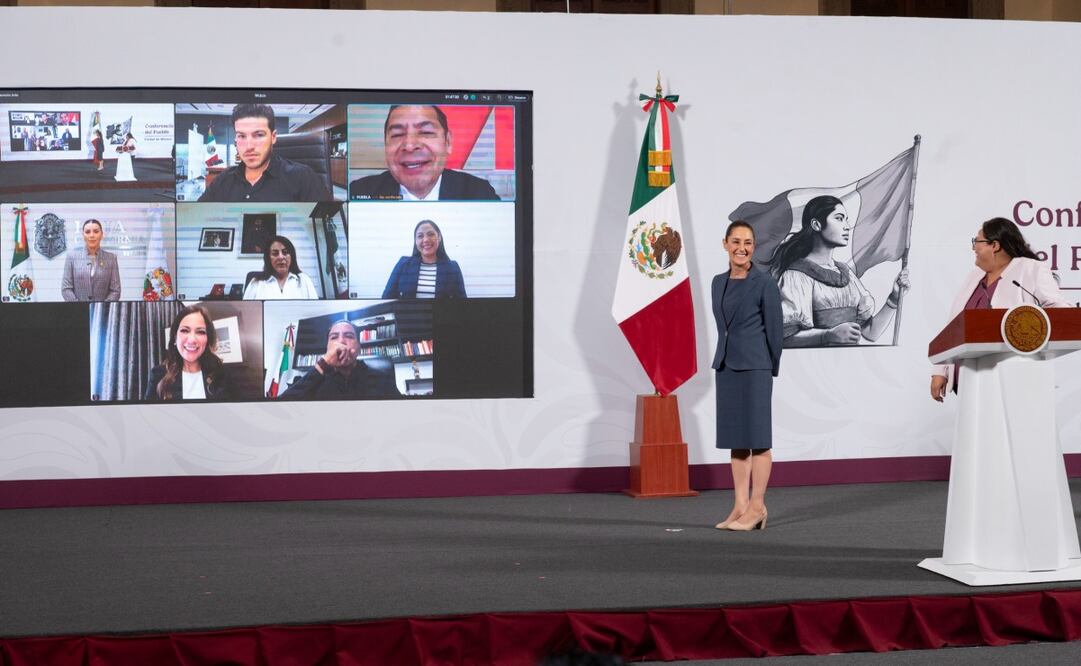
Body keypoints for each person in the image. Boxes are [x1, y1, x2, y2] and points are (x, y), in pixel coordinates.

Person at [930, 217, 1070, 401]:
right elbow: (953, 326)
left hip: (1012, 374)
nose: (974, 248)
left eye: (977, 241)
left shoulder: (1031, 269)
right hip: (967, 375)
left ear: (994, 245)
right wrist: (940, 370)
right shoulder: (974, 276)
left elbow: (1060, 312)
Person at [711, 221, 783, 532]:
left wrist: (768, 369)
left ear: (754, 247)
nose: (742, 247)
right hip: (727, 367)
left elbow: (776, 332)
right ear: (725, 243)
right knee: (736, 442)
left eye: (749, 242)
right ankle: (740, 505)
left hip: (755, 369)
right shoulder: (717, 282)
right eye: (736, 241)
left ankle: (757, 506)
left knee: (758, 441)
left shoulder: (764, 283)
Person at [772, 195, 909, 347]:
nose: (846, 226)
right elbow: (785, 338)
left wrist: (894, 299)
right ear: (816, 225)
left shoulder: (847, 273)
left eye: (846, 219)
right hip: (814, 367)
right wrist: (828, 335)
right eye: (839, 218)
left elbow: (871, 333)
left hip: (849, 364)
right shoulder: (796, 276)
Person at [349, 105, 500, 201]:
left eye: (426, 132)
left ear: (448, 142)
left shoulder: (479, 193)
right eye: (396, 134)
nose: (409, 145)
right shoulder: (359, 191)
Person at [198, 104, 332, 202]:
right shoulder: (223, 179)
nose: (249, 146)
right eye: (242, 136)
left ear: (273, 137)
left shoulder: (303, 178)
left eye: (258, 135)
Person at [279, 320, 398, 399]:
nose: (341, 342)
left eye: (349, 336)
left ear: (358, 347)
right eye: (334, 337)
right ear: (327, 348)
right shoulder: (313, 381)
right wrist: (323, 364)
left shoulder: (383, 379)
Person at [144, 304, 230, 401]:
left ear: (208, 339)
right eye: (185, 330)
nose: (192, 340)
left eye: (200, 332)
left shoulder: (223, 374)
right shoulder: (158, 374)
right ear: (175, 338)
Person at [382, 220, 466, 299]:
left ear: (439, 237)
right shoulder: (403, 264)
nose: (425, 240)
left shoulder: (453, 268)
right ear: (415, 241)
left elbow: (462, 304)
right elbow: (386, 298)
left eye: (430, 234)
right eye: (420, 236)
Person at [61, 219, 121, 302]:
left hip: (102, 313)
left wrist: (101, 308)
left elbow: (115, 291)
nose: (92, 235)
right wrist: (79, 308)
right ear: (83, 235)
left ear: (102, 234)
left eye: (96, 231)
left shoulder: (111, 258)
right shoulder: (72, 257)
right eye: (88, 232)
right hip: (77, 312)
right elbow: (66, 289)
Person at [242, 235, 319, 300]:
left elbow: (316, 311)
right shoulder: (256, 282)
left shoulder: (304, 280)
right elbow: (245, 313)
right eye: (275, 253)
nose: (281, 257)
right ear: (268, 258)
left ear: (292, 256)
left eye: (285, 252)